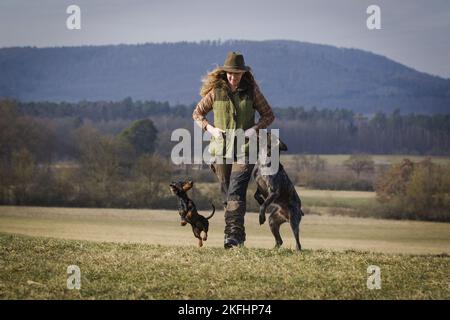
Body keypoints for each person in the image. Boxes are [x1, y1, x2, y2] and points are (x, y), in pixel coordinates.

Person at [192, 51, 275, 249]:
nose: (233, 77)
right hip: (220, 150)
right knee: (227, 193)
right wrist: (211, 129)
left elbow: (269, 115)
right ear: (224, 72)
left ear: (243, 74)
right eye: (230, 73)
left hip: (245, 150)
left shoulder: (252, 92)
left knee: (236, 190)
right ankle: (237, 233)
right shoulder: (215, 93)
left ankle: (233, 237)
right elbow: (197, 114)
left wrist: (254, 129)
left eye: (237, 74)